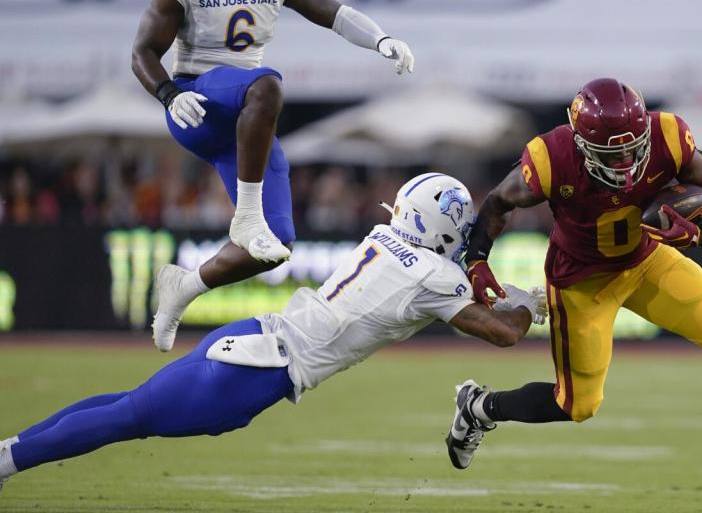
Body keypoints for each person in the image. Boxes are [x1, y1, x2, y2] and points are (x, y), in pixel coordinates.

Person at [0, 174, 545, 493]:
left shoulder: (387, 237)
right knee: (129, 416)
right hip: (258, 369)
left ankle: (9, 453)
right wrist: (528, 302)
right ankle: (8, 460)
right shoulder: (432, 273)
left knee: (128, 407)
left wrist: (496, 291)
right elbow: (503, 334)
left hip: (255, 346)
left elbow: (447, 287)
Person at [444, 78, 702, 490]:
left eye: (630, 149)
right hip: (581, 281)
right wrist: (476, 260)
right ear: (581, 143)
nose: (622, 163)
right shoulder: (551, 156)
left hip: (646, 261)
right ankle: (478, 406)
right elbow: (498, 202)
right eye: (609, 153)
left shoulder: (667, 135)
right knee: (576, 404)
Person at [131, 0, 416, 352]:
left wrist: (380, 38)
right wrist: (165, 93)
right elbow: (142, 51)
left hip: (244, 126)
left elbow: (326, 6)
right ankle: (245, 216)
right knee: (266, 85)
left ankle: (186, 286)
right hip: (198, 100)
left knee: (278, 245)